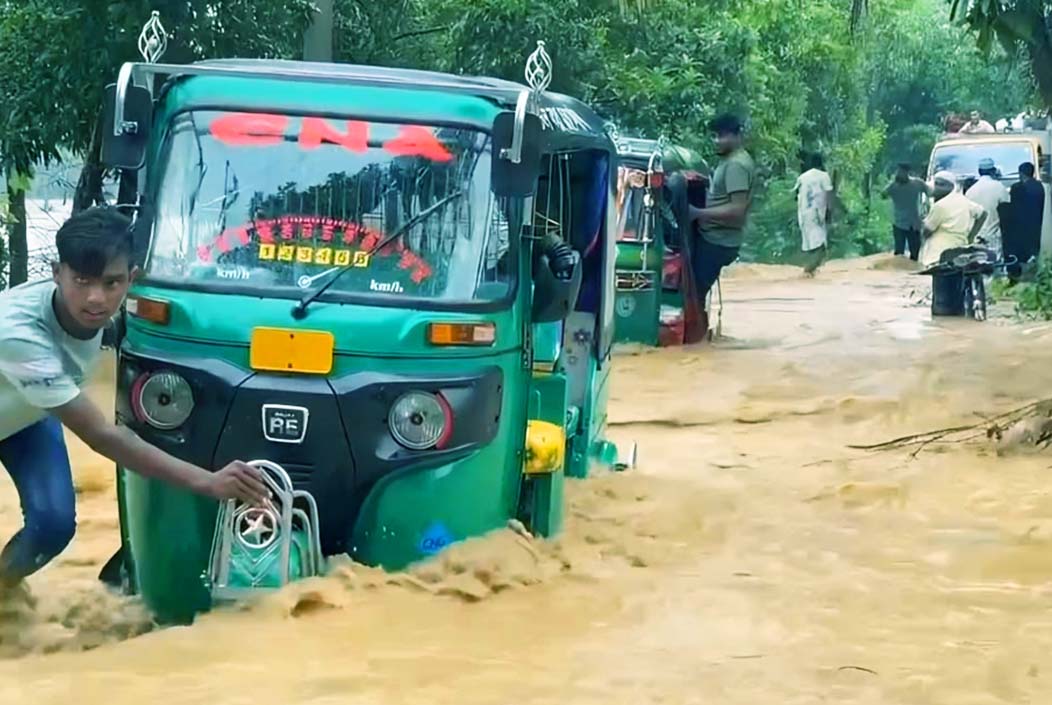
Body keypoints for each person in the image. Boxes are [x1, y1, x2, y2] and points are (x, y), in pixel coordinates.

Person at [0, 207, 269, 598]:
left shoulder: (118, 309)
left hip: (27, 413)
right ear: (57, 273)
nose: (96, 298)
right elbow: (102, 436)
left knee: (54, 525)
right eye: (81, 281)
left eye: (111, 283)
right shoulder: (19, 334)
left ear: (132, 279)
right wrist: (207, 482)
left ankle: (4, 598)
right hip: (32, 402)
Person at [687, 113, 756, 303]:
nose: (717, 141)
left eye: (722, 136)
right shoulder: (731, 160)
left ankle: (696, 331)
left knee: (694, 296)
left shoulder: (736, 165)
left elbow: (737, 209)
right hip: (716, 238)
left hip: (717, 241)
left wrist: (697, 213)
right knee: (695, 293)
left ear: (737, 136)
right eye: (715, 136)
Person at [920, 171, 988, 267]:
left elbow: (927, 231)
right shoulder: (964, 201)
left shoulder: (940, 206)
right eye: (936, 184)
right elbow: (983, 214)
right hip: (960, 249)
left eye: (941, 185)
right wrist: (971, 236)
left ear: (951, 187)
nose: (937, 188)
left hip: (940, 253)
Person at [793, 153, 834, 276]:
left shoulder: (802, 177)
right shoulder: (824, 176)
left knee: (810, 245)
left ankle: (810, 272)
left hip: (803, 214)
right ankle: (808, 271)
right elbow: (829, 196)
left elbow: (796, 195)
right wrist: (829, 212)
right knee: (821, 247)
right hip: (817, 214)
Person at [881, 163, 930, 261]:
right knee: (899, 252)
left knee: (915, 252)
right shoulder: (893, 186)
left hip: (914, 223)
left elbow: (929, 192)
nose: (899, 174)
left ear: (907, 173)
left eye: (901, 172)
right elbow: (883, 195)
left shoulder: (917, 183)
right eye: (898, 172)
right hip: (899, 223)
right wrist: (891, 184)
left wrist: (927, 210)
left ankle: (911, 273)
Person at [1006, 161, 1045, 279]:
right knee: (1035, 249)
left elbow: (1012, 206)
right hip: (1038, 222)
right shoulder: (1040, 186)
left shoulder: (1017, 187)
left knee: (1023, 253)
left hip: (1021, 225)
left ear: (1021, 173)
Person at [964, 157, 1010, 257]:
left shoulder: (970, 191)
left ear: (979, 171)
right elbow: (1007, 211)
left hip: (975, 237)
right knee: (995, 266)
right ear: (993, 171)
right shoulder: (999, 187)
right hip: (993, 237)